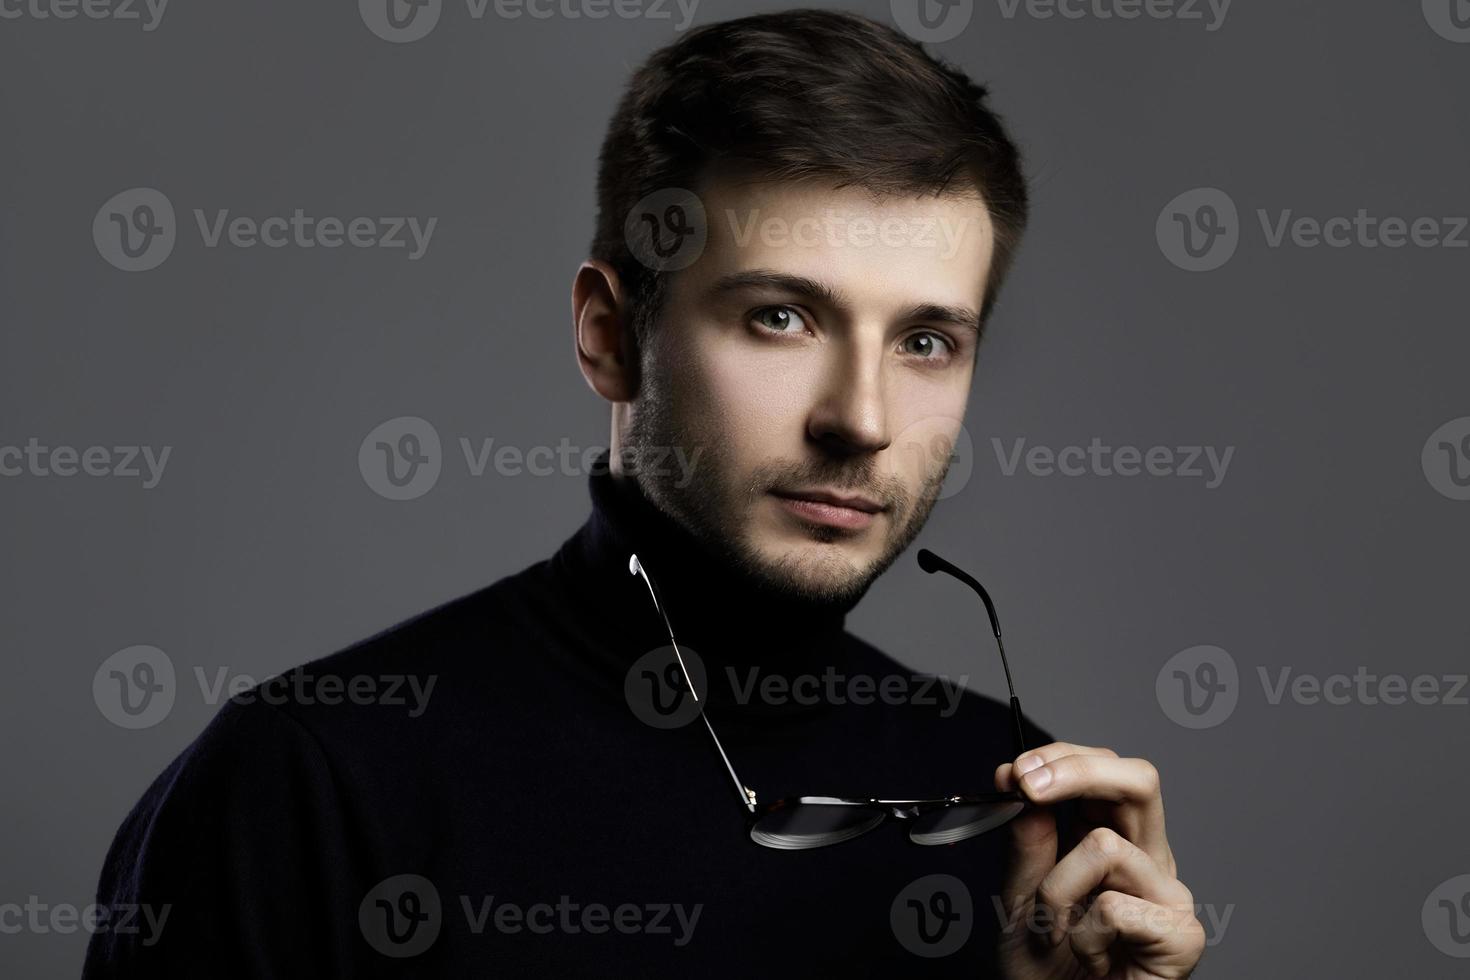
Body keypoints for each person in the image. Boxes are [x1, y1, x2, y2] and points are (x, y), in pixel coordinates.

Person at [84, 9, 1205, 977]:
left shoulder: (1017, 815)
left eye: (925, 340)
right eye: (781, 316)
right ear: (612, 336)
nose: (861, 418)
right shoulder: (310, 783)